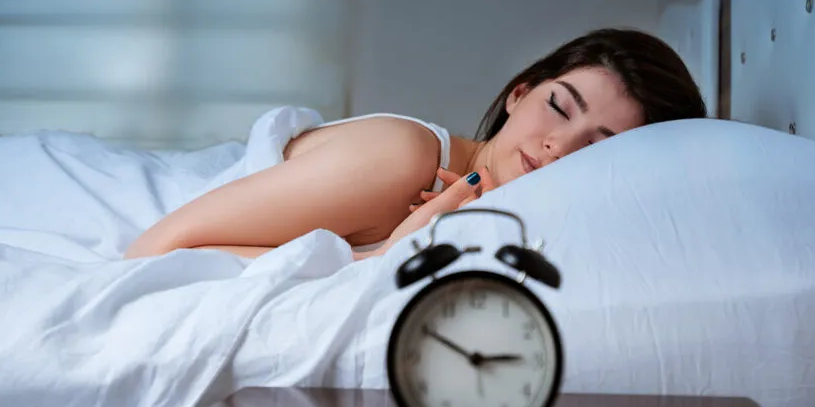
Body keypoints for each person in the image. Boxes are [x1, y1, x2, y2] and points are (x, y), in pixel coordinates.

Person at [124, 27, 708, 262]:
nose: (558, 146)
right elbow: (159, 250)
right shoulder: (401, 160)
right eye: (558, 107)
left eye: (596, 148)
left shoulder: (491, 223)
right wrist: (377, 262)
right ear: (519, 93)